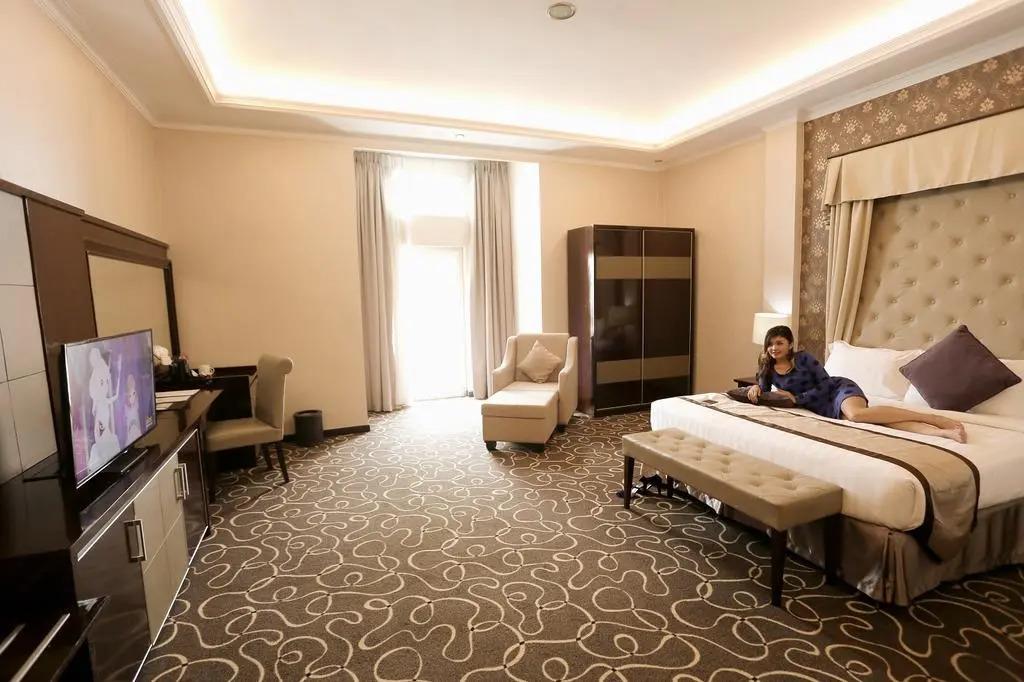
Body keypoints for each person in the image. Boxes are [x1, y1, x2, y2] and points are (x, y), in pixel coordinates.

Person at [747, 325, 966, 443]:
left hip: (837, 390)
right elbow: (764, 392)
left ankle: (933, 418)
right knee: (878, 421)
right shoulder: (767, 365)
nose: (774, 348)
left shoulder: (803, 358)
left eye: (779, 343)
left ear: (790, 344)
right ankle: (942, 434)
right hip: (821, 407)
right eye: (770, 344)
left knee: (857, 415)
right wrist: (755, 387)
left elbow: (825, 383)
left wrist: (797, 399)